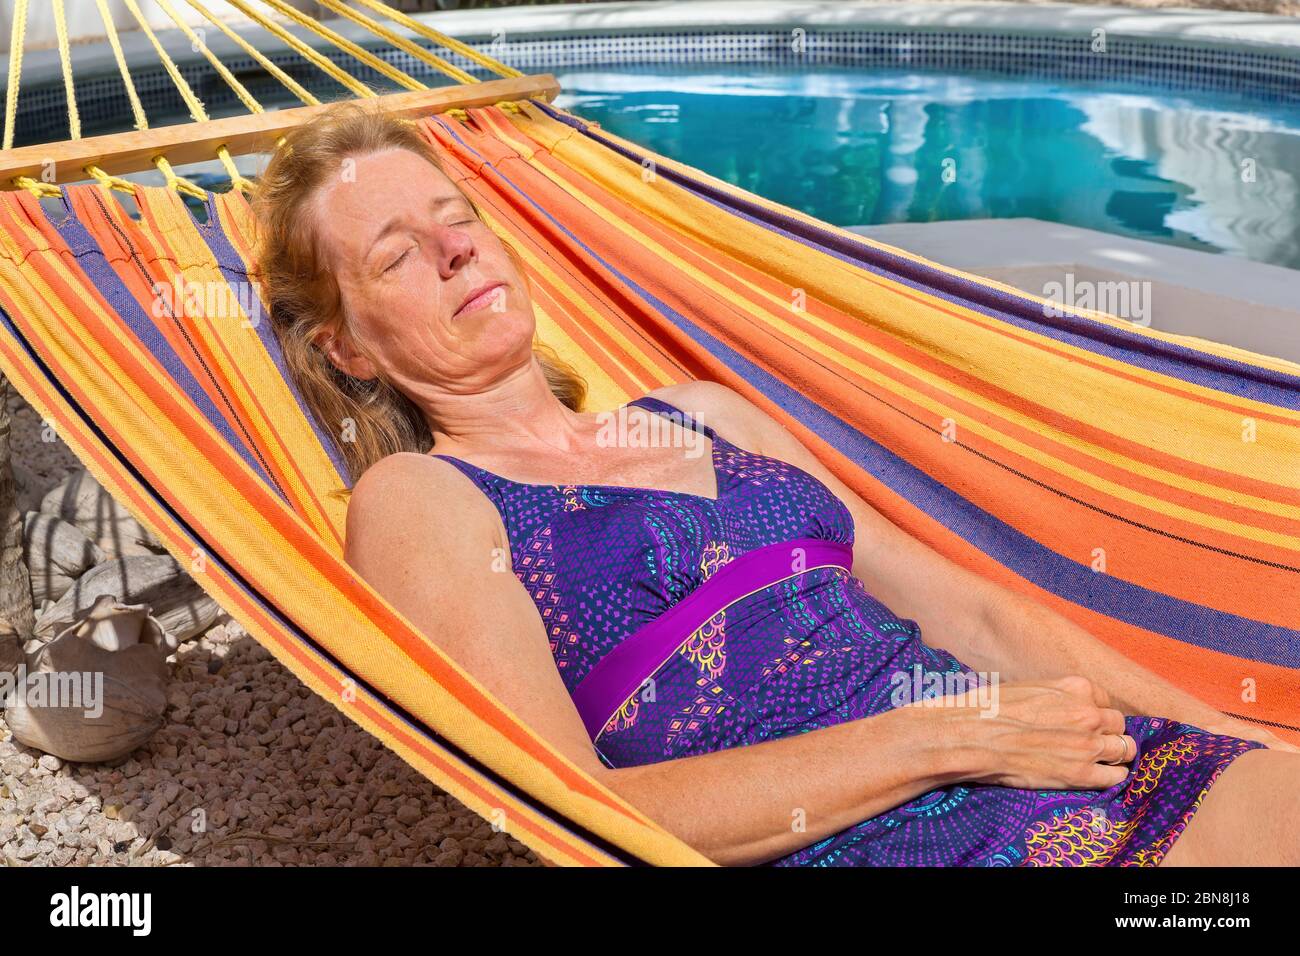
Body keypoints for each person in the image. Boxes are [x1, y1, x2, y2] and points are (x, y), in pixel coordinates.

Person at [252, 101, 1300, 866]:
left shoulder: (703, 411)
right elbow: (569, 804)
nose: (451, 248)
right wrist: (941, 737)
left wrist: (1230, 730)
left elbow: (966, 606)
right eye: (394, 254)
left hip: (1049, 755)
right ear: (347, 349)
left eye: (455, 213)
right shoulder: (422, 498)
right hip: (868, 832)